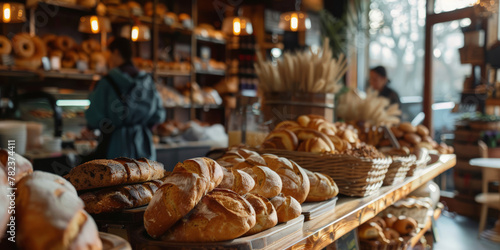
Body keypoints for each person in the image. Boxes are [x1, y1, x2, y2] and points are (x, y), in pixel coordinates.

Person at [85, 37, 165, 160]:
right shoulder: (147, 81)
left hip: (115, 145)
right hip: (144, 143)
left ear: (116, 52)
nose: (108, 59)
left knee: (118, 176)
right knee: (146, 176)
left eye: (109, 54)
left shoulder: (107, 81)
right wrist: (141, 128)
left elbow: (93, 117)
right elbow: (159, 115)